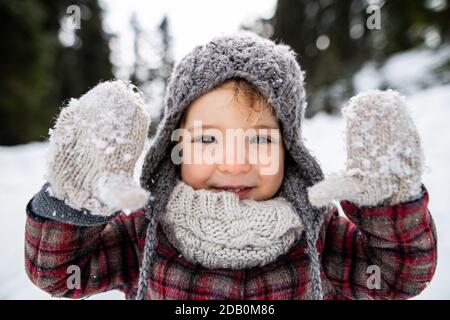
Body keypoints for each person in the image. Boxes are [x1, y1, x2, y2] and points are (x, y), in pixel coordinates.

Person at [25, 32, 437, 300]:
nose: (235, 163)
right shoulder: (146, 229)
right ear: (176, 147)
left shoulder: (316, 230)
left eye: (259, 139)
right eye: (207, 139)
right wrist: (75, 198)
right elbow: (59, 273)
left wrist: (389, 202)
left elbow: (397, 277)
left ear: (290, 151)